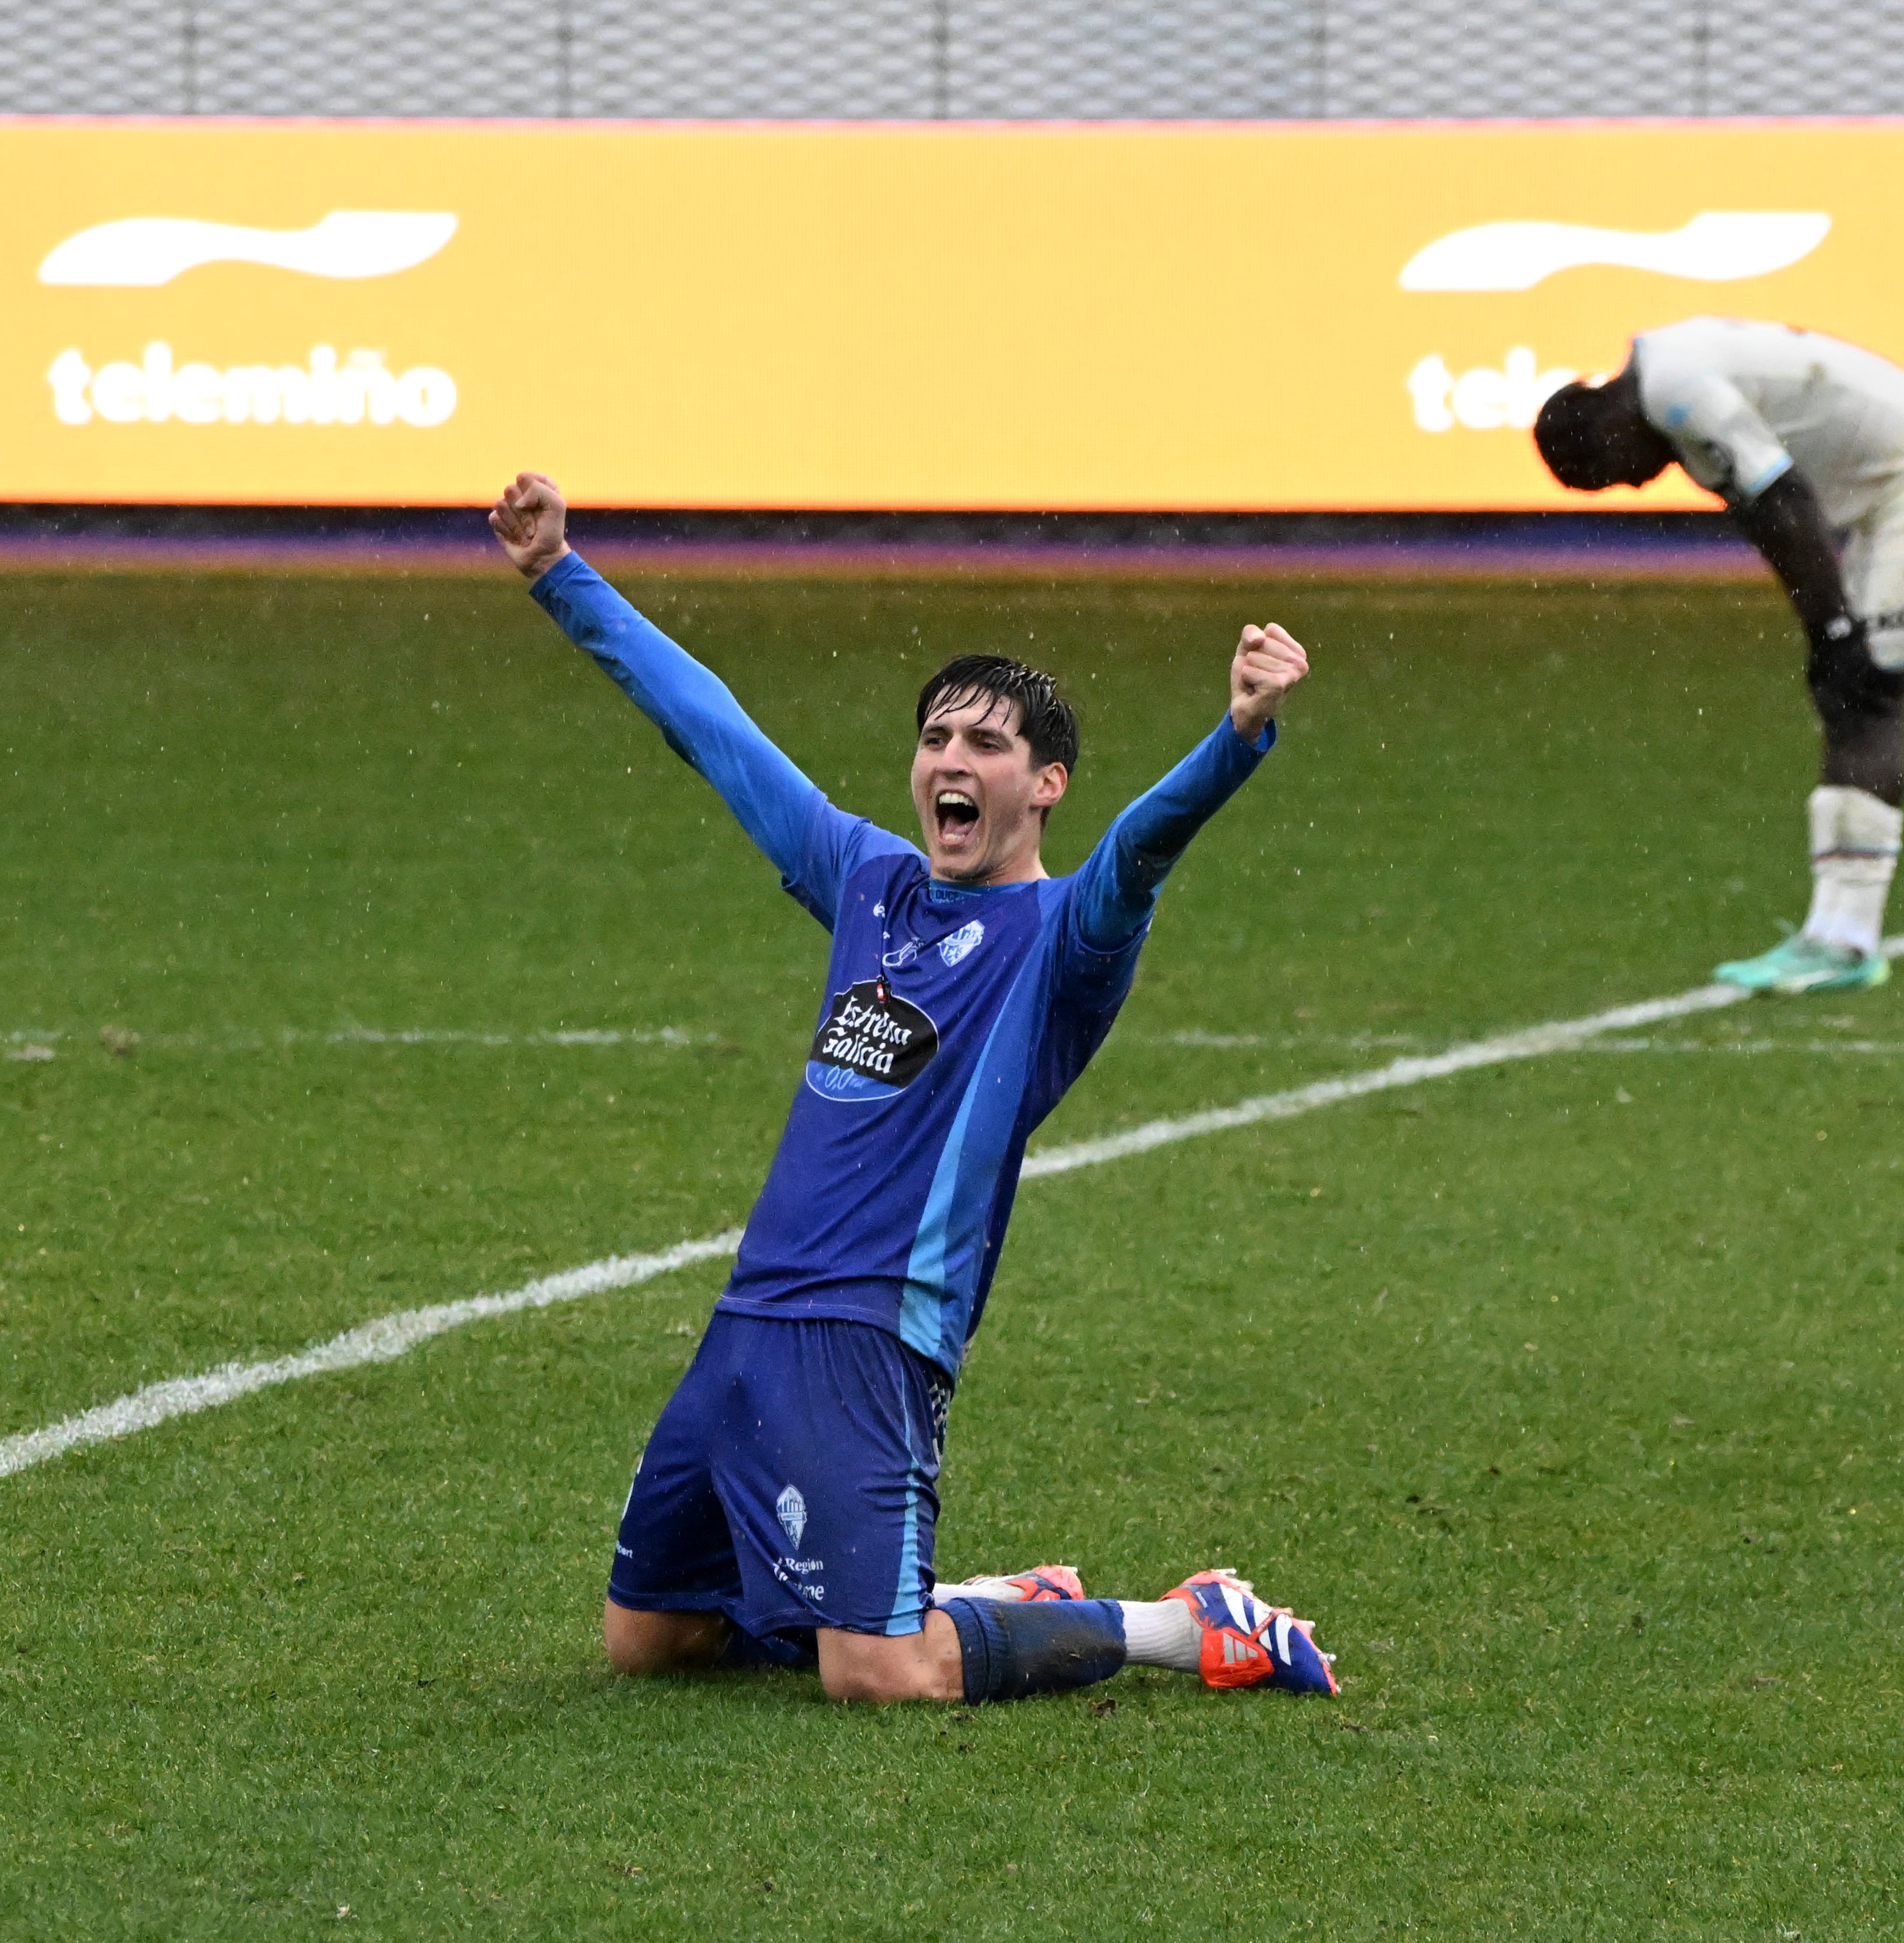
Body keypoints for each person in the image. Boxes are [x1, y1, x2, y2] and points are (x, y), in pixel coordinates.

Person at [485, 472, 1339, 1700]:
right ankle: (980, 1600)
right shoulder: (869, 883)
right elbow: (718, 733)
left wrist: (1237, 736)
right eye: (936, 735)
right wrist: (560, 577)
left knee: (877, 1673)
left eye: (987, 742)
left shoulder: (1060, 938)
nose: (951, 758)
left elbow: (1143, 848)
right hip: (749, 1320)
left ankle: (1190, 1623)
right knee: (651, 1640)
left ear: (1045, 785)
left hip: (876, 1337)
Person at [1532, 319, 1904, 995]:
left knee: (1863, 692)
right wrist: (1825, 628)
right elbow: (1767, 519)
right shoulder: (1666, 379)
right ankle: (1838, 933)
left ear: (1610, 427)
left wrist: (1835, 633)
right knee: (1848, 687)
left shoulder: (1675, 390)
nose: (1635, 487)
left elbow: (1780, 498)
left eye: (1614, 474)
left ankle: (1843, 939)